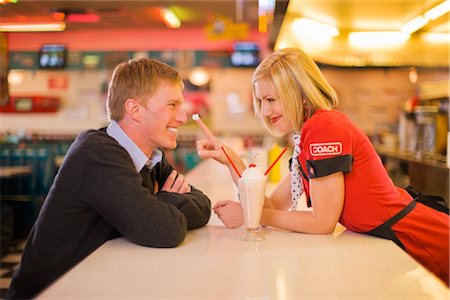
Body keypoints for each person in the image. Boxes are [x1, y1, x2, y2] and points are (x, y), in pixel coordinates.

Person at [195, 48, 449, 285]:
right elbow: (273, 205)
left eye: (271, 99)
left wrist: (252, 215)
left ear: (300, 93)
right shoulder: (307, 134)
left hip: (419, 236)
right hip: (400, 237)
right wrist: (232, 161)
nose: (265, 111)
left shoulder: (324, 127)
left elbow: (322, 223)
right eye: (261, 101)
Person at [6, 58, 211, 299]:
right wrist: (166, 199)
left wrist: (158, 204)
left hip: (96, 284)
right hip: (50, 293)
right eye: (172, 105)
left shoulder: (151, 156)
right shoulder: (96, 153)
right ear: (134, 109)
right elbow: (164, 230)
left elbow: (204, 206)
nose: (182, 117)